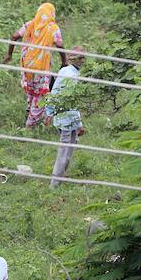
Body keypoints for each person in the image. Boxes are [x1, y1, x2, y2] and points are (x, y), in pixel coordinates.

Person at [4, 2, 67, 128]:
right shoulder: (53, 28)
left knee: (31, 90)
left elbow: (14, 36)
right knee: (40, 94)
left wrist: (9, 55)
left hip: (27, 65)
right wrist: (64, 61)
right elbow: (59, 44)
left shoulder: (31, 23)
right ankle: (30, 125)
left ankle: (29, 111)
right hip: (41, 68)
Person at [48, 47, 87, 187]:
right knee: (65, 150)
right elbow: (72, 102)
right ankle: (55, 182)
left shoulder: (64, 70)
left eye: (83, 57)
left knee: (70, 145)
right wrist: (79, 124)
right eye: (80, 58)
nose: (83, 61)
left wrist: (50, 113)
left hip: (60, 115)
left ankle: (60, 177)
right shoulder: (72, 76)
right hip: (67, 118)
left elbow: (54, 92)